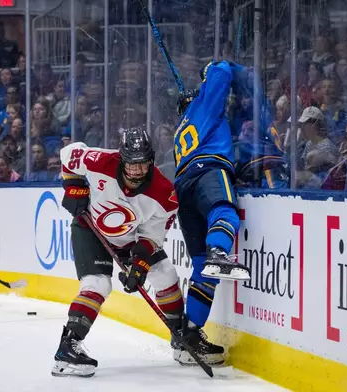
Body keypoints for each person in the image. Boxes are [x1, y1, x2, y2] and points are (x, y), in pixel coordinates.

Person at [52, 126, 183, 377]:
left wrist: (139, 266)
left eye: (143, 163)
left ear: (151, 159)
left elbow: (152, 235)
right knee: (97, 283)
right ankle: (67, 347)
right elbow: (68, 154)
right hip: (90, 230)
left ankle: (179, 335)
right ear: (121, 158)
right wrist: (73, 187)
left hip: (131, 238)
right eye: (131, 164)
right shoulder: (100, 160)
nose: (137, 170)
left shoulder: (165, 194)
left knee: (165, 273)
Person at [172, 60, 251, 365]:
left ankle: (188, 337)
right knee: (225, 211)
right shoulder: (202, 107)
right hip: (208, 171)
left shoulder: (183, 130)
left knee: (203, 268)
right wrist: (219, 66)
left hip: (184, 189)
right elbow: (219, 74)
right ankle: (220, 251)